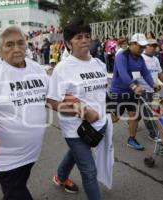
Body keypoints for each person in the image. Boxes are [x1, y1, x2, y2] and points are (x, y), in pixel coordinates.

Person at [0, 25, 49, 200]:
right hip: (7, 157)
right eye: (9, 45)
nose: (17, 49)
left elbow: (51, 97)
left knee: (16, 189)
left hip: (32, 152)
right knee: (17, 193)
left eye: (20, 43)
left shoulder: (37, 69)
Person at [47, 20, 109, 200]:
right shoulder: (63, 68)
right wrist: (79, 109)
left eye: (87, 36)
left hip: (99, 125)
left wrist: (109, 113)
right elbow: (51, 102)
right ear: (68, 43)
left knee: (74, 154)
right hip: (75, 129)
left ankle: (60, 176)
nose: (84, 40)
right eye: (79, 37)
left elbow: (100, 93)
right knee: (89, 171)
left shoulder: (99, 63)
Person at [110, 33, 159, 151]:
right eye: (140, 46)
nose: (142, 49)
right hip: (118, 92)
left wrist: (153, 84)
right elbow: (123, 74)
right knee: (115, 118)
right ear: (131, 44)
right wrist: (133, 86)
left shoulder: (140, 58)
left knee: (134, 115)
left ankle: (131, 139)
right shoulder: (121, 56)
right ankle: (99, 129)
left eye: (143, 47)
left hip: (132, 93)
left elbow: (145, 73)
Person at [138, 39, 163, 140]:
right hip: (143, 90)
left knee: (149, 110)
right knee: (148, 113)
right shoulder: (140, 58)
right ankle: (153, 134)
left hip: (154, 90)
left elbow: (159, 74)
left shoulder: (156, 59)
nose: (153, 48)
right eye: (151, 46)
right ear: (145, 46)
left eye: (155, 46)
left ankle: (133, 120)